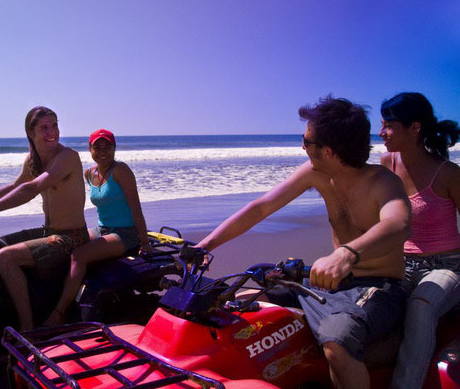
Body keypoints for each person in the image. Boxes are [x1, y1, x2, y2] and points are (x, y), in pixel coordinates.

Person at [195, 96, 411, 389]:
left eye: (307, 141)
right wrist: (204, 246)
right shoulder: (316, 173)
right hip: (332, 282)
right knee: (245, 298)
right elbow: (262, 207)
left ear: (329, 151)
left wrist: (348, 253)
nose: (302, 147)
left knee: (338, 339)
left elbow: (397, 223)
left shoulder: (382, 181)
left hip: (380, 287)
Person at [0, 106, 88, 331]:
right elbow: (15, 187)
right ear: (31, 133)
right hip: (49, 231)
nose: (52, 132)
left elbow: (31, 188)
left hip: (72, 236)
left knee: (5, 257)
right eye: (44, 127)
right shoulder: (34, 159)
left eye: (54, 125)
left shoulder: (67, 157)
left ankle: (27, 330)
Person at [378, 92, 460, 389]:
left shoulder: (448, 173)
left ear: (414, 128)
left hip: (446, 267)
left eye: (388, 124)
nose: (381, 131)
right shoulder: (387, 162)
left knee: (422, 305)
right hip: (399, 264)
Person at [43, 128, 152, 326]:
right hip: (102, 230)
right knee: (66, 246)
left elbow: (136, 208)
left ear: (114, 148)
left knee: (80, 255)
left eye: (107, 146)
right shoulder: (89, 173)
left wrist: (144, 242)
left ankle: (59, 313)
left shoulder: (121, 171)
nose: (103, 151)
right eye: (97, 146)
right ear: (89, 149)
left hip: (126, 233)